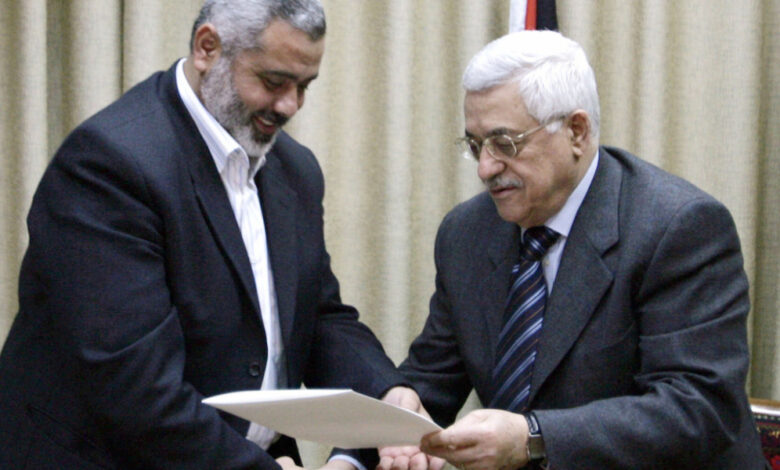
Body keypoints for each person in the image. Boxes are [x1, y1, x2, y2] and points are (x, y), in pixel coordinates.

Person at [0, 1, 419, 469]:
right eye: (274, 82)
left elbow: (317, 316)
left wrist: (386, 395)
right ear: (207, 49)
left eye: (304, 87)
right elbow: (134, 387)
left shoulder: (295, 169)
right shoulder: (110, 165)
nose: (289, 106)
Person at [376, 30, 767, 469]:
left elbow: (698, 407)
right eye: (475, 145)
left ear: (576, 132)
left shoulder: (677, 228)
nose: (485, 168)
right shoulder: (467, 232)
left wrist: (534, 437)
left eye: (505, 144)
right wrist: (390, 422)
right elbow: (430, 379)